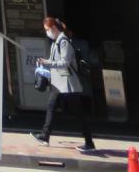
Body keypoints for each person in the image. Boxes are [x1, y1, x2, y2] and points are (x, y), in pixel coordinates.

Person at [34, 16, 95, 152]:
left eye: (47, 30)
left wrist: (48, 62)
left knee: (78, 113)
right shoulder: (56, 42)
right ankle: (45, 136)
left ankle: (89, 142)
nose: (47, 32)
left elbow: (64, 63)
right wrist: (45, 61)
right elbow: (54, 60)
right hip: (58, 82)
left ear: (54, 28)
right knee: (51, 106)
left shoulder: (63, 42)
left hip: (68, 84)